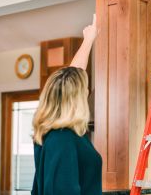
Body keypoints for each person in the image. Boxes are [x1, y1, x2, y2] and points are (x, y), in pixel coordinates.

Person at [31, 14, 102, 195]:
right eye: (84, 89)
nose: (87, 92)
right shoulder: (62, 140)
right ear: (76, 99)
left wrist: (89, 39)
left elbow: (72, 76)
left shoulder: (57, 134)